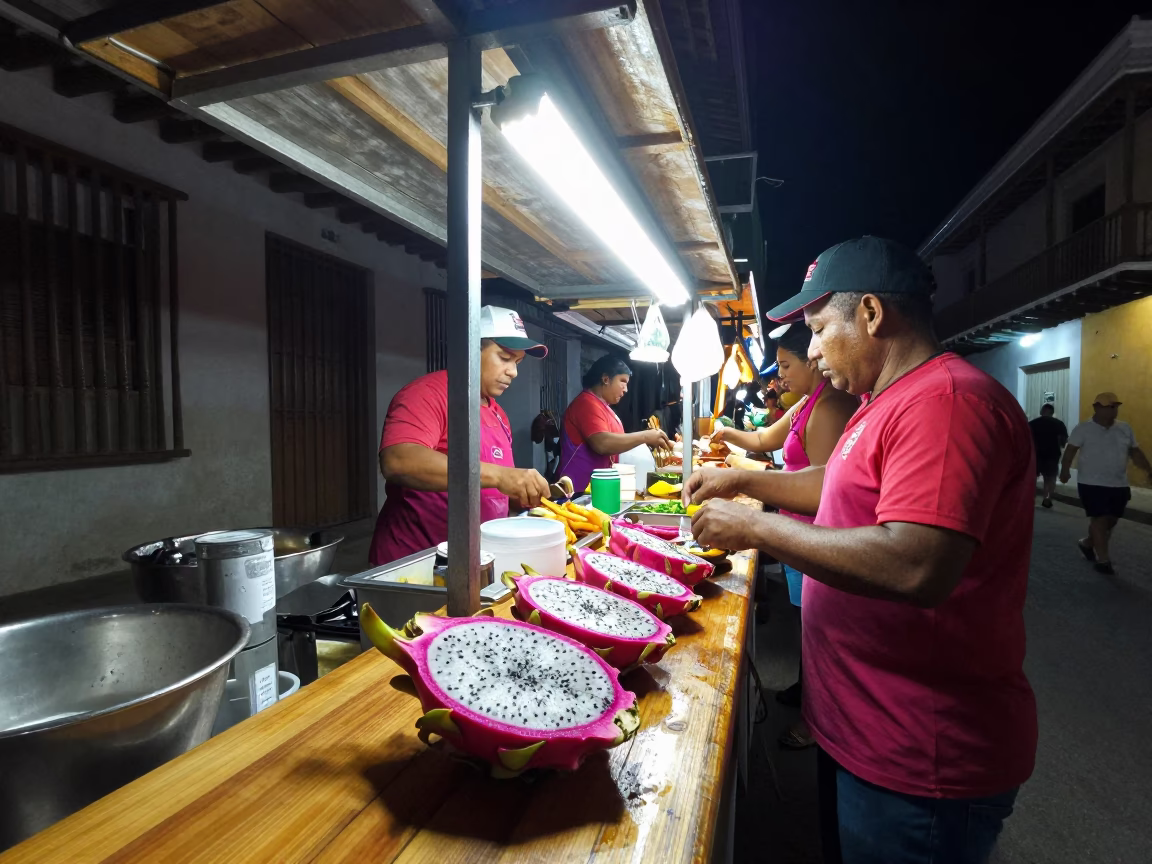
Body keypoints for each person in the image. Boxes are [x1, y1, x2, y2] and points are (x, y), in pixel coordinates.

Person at [684, 236, 1037, 864]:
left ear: (871, 314)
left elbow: (916, 563)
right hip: (865, 729)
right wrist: (742, 481)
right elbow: (837, 484)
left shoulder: (946, 404)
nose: (811, 350)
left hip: (920, 751)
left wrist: (758, 529)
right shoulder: (886, 402)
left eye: (818, 330)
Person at [713, 322, 858, 750]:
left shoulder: (830, 407)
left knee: (822, 630)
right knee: (808, 625)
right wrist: (724, 434)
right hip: (794, 527)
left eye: (786, 364)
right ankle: (807, 690)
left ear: (813, 358)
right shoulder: (807, 403)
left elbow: (824, 490)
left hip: (812, 532)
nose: (780, 376)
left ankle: (818, 721)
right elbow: (762, 438)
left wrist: (745, 483)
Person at [369, 306, 551, 566]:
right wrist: (501, 476)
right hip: (419, 562)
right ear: (470, 350)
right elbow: (399, 460)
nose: (514, 372)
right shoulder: (429, 393)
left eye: (518, 362)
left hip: (475, 559)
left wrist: (524, 494)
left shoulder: (498, 413)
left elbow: (491, 489)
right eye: (504, 357)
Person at [1059, 392, 1151, 575]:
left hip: (1119, 484)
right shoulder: (1083, 428)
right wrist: (1065, 470)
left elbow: (1135, 452)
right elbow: (1070, 451)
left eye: (1115, 406)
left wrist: (1148, 470)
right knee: (1099, 519)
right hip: (1091, 483)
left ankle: (1087, 543)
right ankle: (1104, 561)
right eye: (1109, 407)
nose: (1113, 410)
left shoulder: (1125, 428)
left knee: (1111, 520)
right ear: (1096, 408)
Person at [559, 355, 671, 495]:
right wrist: (645, 436)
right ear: (606, 379)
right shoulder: (586, 403)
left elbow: (618, 444)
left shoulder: (605, 408)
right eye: (623, 381)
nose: (626, 390)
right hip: (578, 491)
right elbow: (602, 444)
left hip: (599, 489)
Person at [1029, 403, 1068, 508]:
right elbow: (1063, 441)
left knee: (1032, 478)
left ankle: (1030, 499)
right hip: (1052, 455)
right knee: (1050, 478)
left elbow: (1026, 439)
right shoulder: (1059, 424)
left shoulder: (1032, 423)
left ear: (1041, 411)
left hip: (1035, 455)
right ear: (1052, 412)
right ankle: (1047, 499)